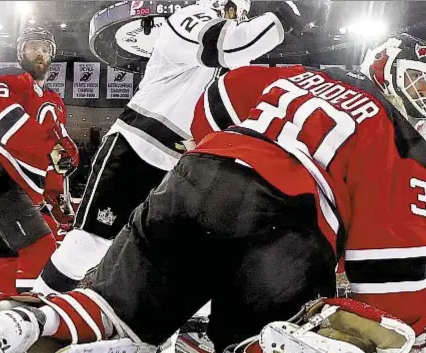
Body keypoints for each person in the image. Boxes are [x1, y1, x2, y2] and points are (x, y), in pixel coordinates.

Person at [0, 34, 426, 353]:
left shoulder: (296, 75)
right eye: (416, 81)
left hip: (189, 183)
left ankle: (35, 319)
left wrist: (225, 159)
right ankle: (290, 341)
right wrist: (409, 326)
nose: (422, 97)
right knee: (263, 332)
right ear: (385, 69)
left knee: (117, 312)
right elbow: (393, 254)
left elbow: (215, 100)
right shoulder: (399, 136)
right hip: (289, 218)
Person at [31, 0, 311, 295]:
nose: (239, 17)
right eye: (237, 10)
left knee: (159, 267)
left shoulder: (235, 62)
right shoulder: (188, 18)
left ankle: (152, 341)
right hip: (136, 147)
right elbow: (234, 44)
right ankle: (33, 309)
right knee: (89, 245)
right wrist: (283, 16)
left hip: (181, 166)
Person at [0, 27, 79, 294]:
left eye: (45, 49)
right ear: (20, 52)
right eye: (33, 47)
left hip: (22, 185)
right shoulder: (7, 78)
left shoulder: (54, 101)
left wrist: (61, 196)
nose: (40, 53)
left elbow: (58, 154)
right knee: (41, 249)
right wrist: (55, 149)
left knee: (9, 263)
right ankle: (30, 320)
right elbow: (7, 126)